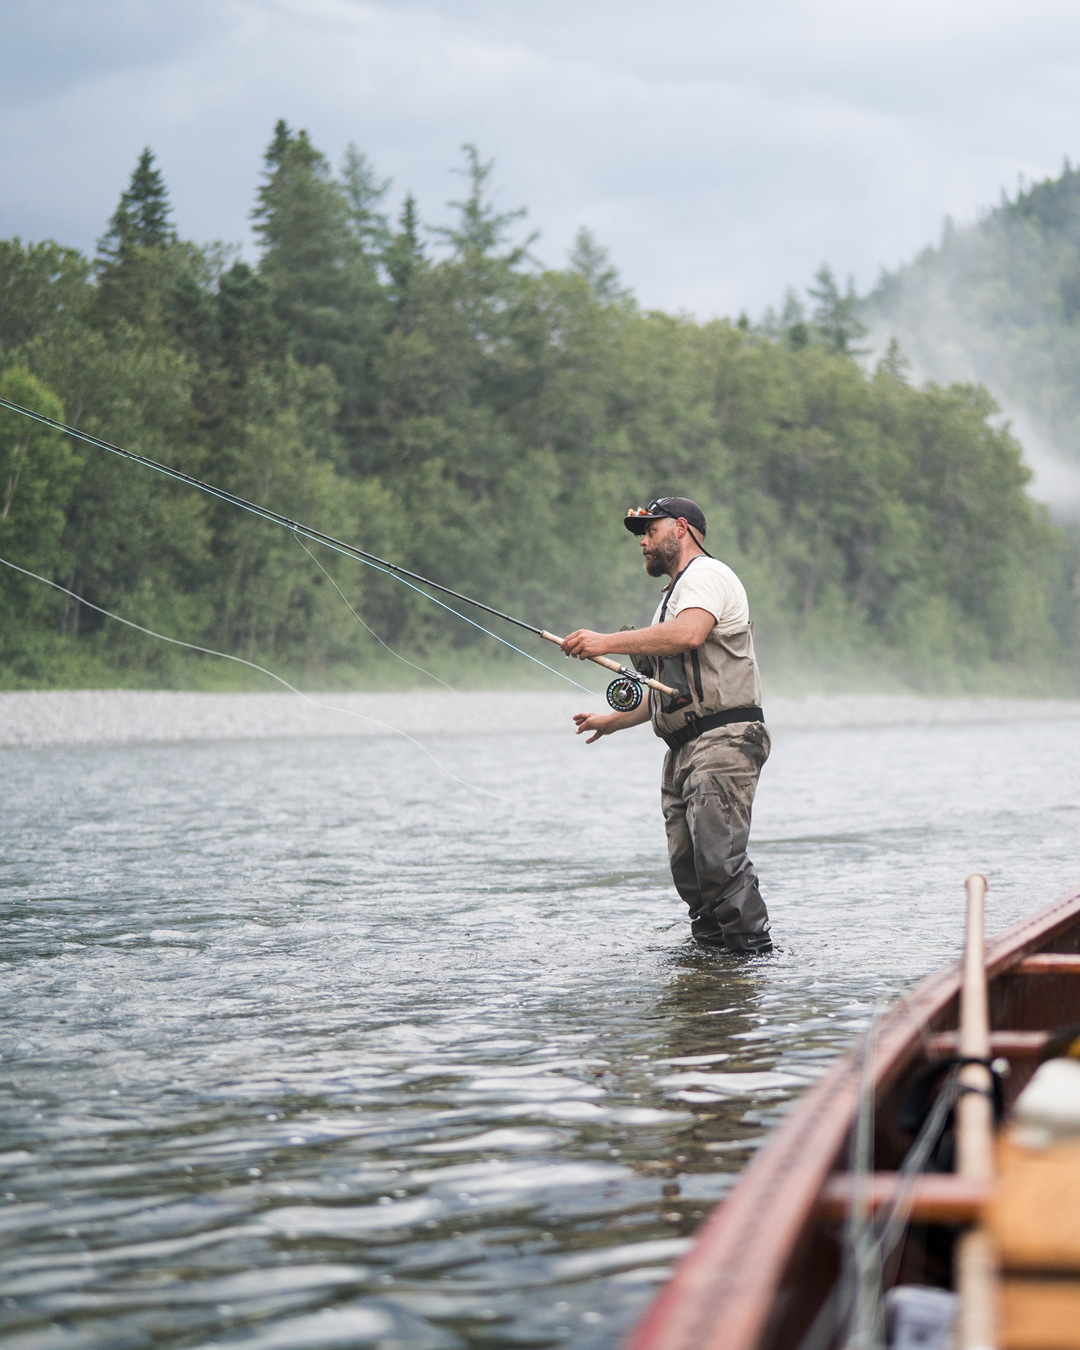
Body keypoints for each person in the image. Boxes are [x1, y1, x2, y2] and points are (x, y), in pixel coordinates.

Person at [562, 496, 773, 954]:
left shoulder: (708, 576)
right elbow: (669, 691)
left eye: (650, 531)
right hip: (683, 749)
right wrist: (614, 721)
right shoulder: (673, 598)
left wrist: (606, 641)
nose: (643, 542)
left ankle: (753, 959)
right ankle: (713, 964)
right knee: (692, 874)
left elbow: (689, 634)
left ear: (681, 529)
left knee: (719, 863)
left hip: (725, 740)